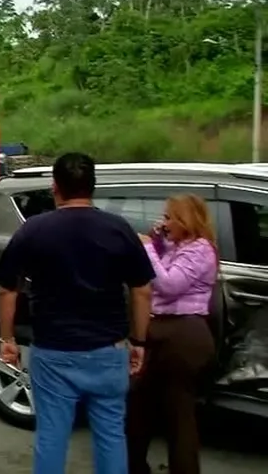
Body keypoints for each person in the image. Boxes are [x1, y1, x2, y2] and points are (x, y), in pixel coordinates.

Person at [0, 152, 154, 474]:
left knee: (52, 436)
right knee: (110, 435)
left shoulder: (34, 230)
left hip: (54, 352)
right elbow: (142, 289)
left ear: (55, 187)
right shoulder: (118, 229)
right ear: (92, 187)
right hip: (108, 351)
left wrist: (6, 339)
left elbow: (8, 289)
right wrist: (139, 342)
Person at [126, 194, 218, 474]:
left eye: (169, 217)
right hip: (160, 328)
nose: (164, 222)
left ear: (185, 220)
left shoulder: (200, 249)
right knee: (138, 405)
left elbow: (169, 284)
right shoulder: (177, 245)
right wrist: (157, 241)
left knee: (178, 411)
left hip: (184, 333)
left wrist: (148, 250)